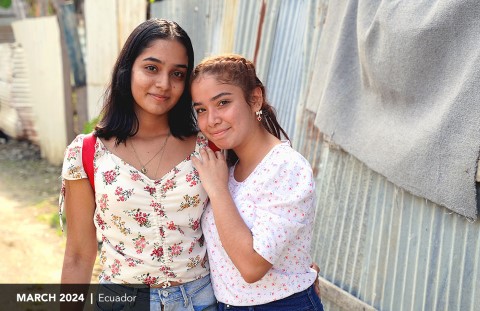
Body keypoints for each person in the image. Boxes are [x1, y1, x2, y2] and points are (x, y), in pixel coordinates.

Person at [59, 18, 217, 311]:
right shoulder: (87, 152)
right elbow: (79, 255)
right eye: (151, 68)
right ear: (127, 69)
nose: (164, 84)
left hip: (200, 301)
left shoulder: (208, 147)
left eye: (178, 74)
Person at [190, 54, 324, 310]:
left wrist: (218, 191)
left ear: (255, 99)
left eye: (223, 102)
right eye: (201, 110)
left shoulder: (286, 168)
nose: (211, 119)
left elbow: (252, 267)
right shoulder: (227, 166)